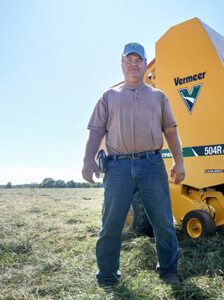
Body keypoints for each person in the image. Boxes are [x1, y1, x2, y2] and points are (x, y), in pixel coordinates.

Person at [82, 42, 185, 288]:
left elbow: (170, 130)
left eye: (138, 60)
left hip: (152, 164)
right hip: (117, 168)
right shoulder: (109, 96)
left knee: (163, 222)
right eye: (129, 59)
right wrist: (88, 160)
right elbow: (96, 131)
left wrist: (179, 161)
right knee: (111, 224)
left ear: (144, 64)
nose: (133, 64)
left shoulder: (158, 96)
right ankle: (107, 276)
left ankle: (169, 272)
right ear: (122, 63)